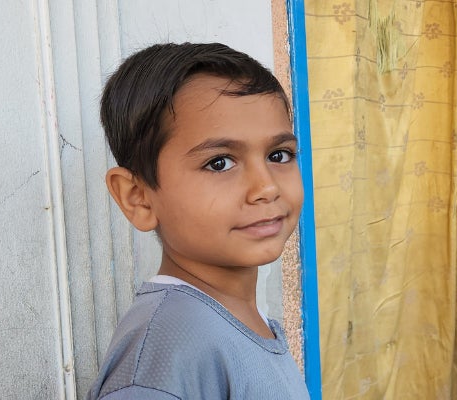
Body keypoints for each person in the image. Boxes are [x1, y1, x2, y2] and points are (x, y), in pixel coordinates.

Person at [87, 42, 309, 399]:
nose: (266, 187)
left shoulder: (234, 326)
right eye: (219, 162)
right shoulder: (169, 351)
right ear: (137, 197)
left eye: (278, 155)